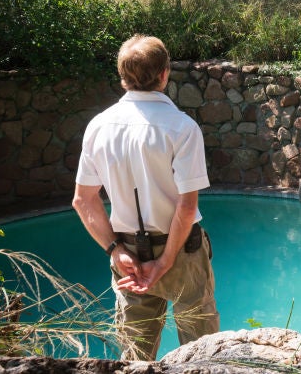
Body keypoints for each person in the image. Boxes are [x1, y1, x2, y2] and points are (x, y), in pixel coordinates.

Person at [72, 35, 220, 360]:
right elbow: (186, 206)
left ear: (122, 77)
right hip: (182, 252)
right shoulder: (182, 127)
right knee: (206, 353)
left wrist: (114, 251)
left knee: (135, 358)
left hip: (128, 257)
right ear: (165, 74)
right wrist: (166, 261)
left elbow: (83, 200)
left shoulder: (98, 127)